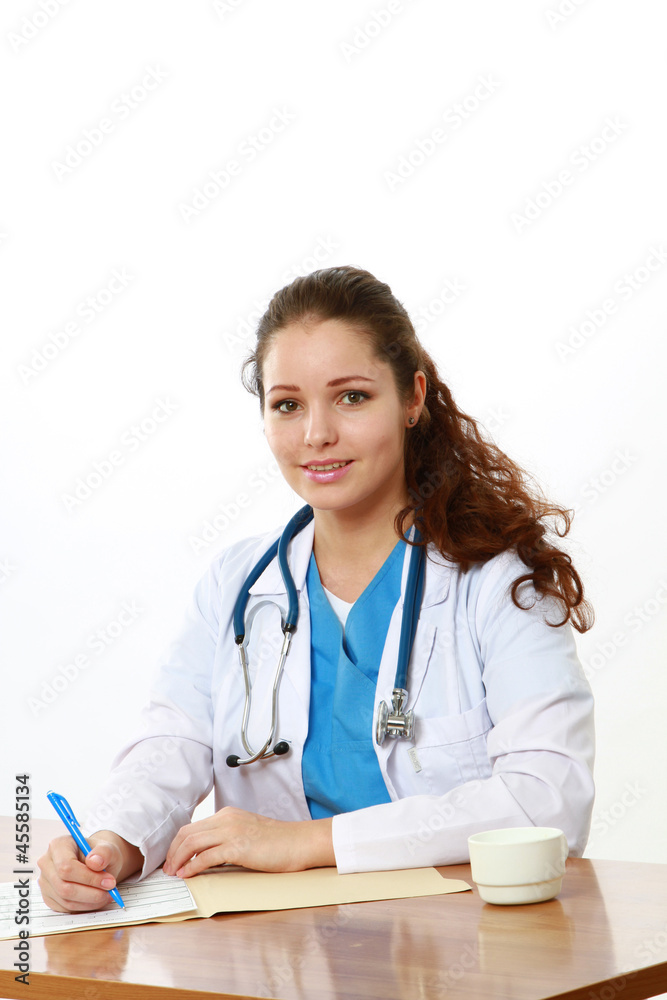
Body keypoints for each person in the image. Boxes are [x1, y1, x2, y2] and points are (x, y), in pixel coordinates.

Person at [38, 265, 595, 913]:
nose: (315, 435)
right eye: (287, 404)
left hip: (455, 941)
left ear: (412, 397)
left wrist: (307, 842)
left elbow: (547, 796)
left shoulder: (497, 583)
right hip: (268, 949)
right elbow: (174, 742)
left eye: (351, 396)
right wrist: (112, 844)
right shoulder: (238, 583)